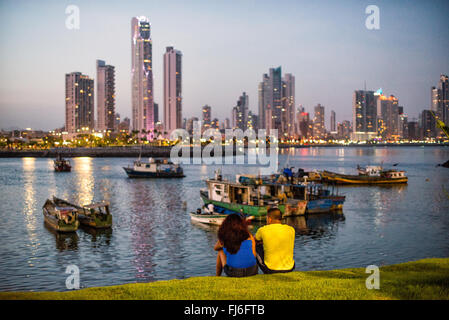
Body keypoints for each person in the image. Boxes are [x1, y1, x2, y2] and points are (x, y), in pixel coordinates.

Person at [255, 207, 295, 274]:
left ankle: (253, 271)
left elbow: (255, 240)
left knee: (254, 245)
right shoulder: (291, 229)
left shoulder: (263, 230)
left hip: (270, 269)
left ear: (269, 219)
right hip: (290, 267)